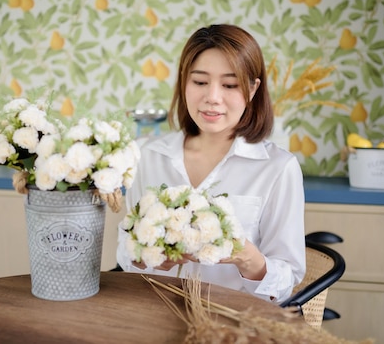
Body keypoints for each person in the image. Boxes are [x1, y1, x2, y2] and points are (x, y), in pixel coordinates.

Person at [116, 24, 306, 303]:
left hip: (231, 324)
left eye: (230, 85)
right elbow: (125, 251)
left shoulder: (278, 168)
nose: (212, 98)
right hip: (152, 313)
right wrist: (148, 259)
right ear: (184, 82)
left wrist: (248, 259)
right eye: (200, 82)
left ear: (253, 89)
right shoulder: (150, 156)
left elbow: (286, 282)